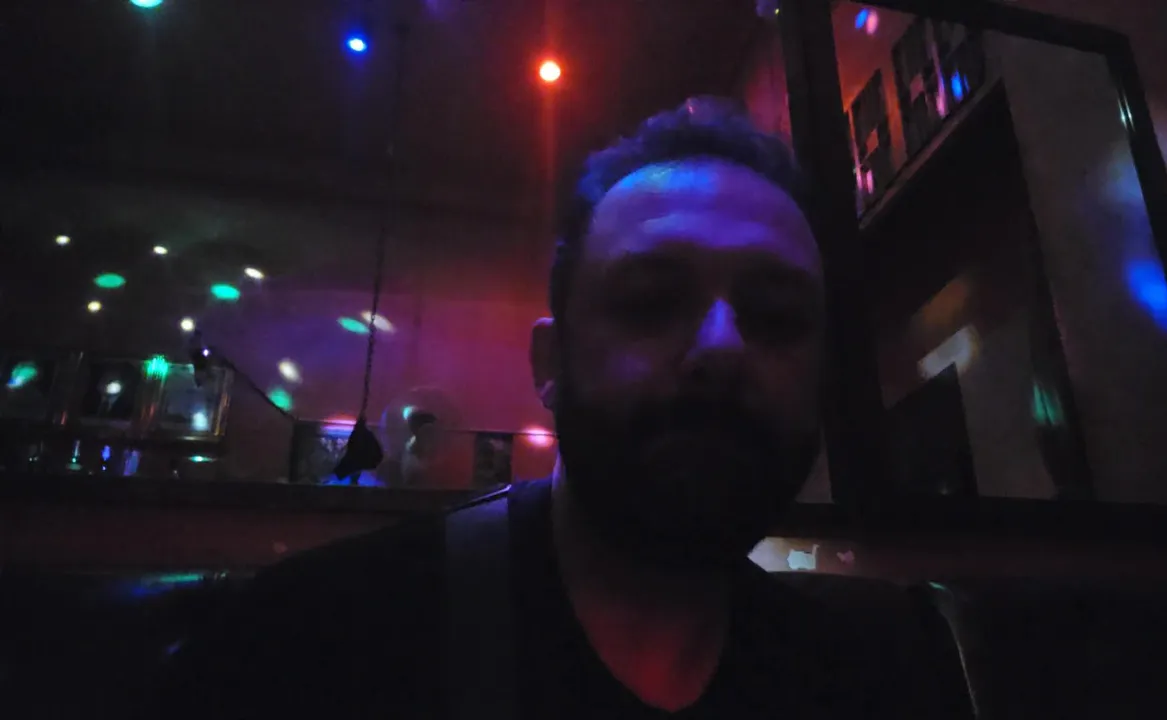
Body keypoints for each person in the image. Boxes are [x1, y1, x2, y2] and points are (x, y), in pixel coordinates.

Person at [142, 98, 959, 719]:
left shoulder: (877, 677)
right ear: (550, 363)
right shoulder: (311, 645)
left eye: (776, 318)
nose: (722, 347)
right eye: (650, 301)